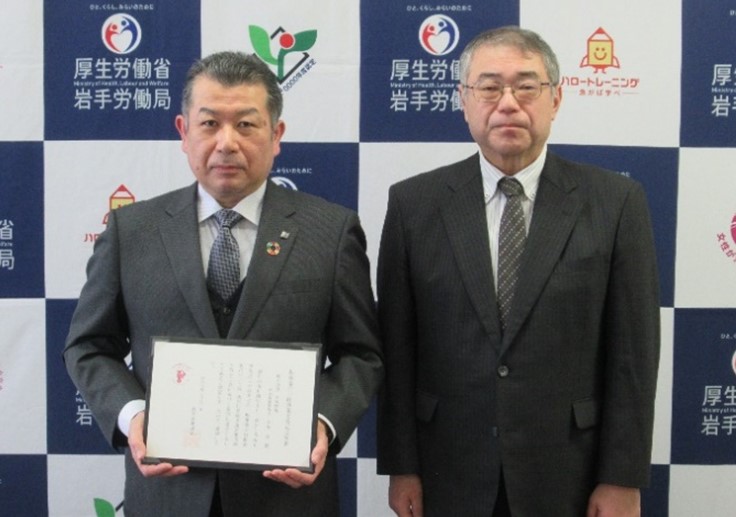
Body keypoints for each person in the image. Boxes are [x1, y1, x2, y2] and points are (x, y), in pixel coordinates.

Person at [64, 51, 383, 517]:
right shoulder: (131, 231)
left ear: (276, 135)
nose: (227, 143)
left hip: (286, 498)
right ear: (183, 132)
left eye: (246, 125)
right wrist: (133, 415)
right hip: (169, 495)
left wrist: (322, 422)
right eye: (210, 124)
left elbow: (361, 354)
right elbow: (88, 346)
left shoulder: (330, 232)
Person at [376, 26, 660, 516]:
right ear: (463, 101)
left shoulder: (615, 203)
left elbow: (633, 355)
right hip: (449, 468)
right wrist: (402, 466)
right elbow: (397, 350)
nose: (508, 103)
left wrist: (622, 478)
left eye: (527, 87)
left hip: (570, 470)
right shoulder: (413, 204)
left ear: (556, 99)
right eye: (489, 87)